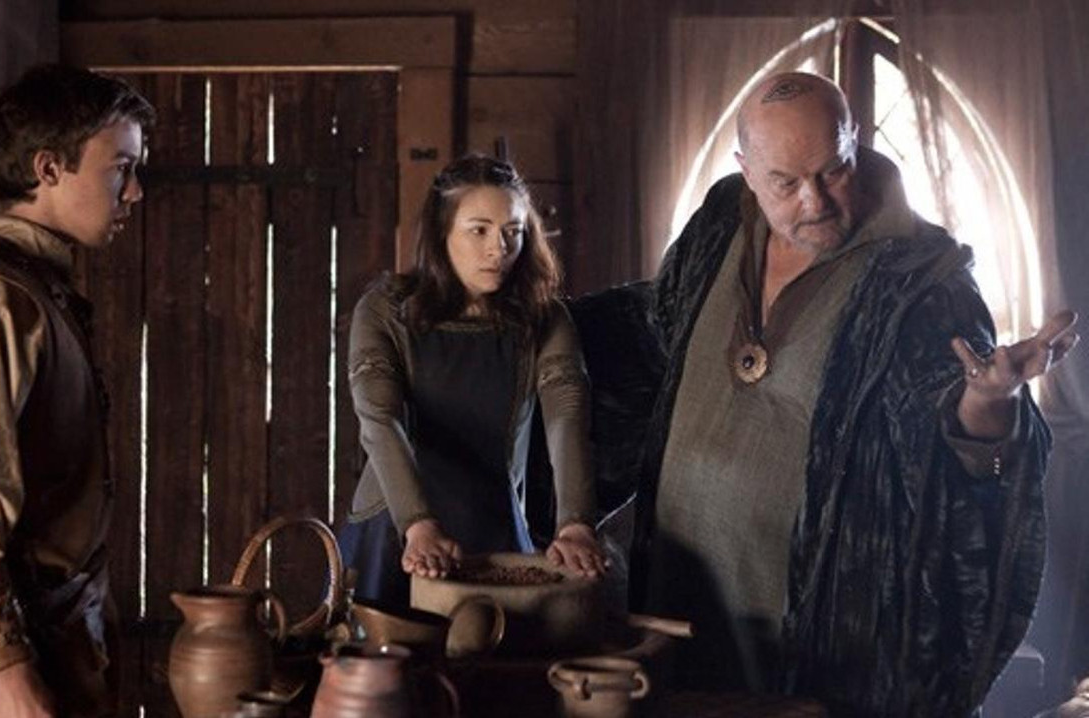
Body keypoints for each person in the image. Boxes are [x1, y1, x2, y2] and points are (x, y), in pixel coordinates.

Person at [574, 72, 1078, 716]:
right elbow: (656, 329)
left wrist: (989, 402)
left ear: (854, 141)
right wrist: (530, 327)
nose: (813, 201)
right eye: (785, 183)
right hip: (677, 591)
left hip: (819, 633)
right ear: (746, 172)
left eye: (832, 171)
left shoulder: (922, 282)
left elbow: (949, 449)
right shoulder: (721, 223)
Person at [0, 64, 153, 717]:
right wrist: (7, 665)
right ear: (47, 168)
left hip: (59, 638)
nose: (134, 192)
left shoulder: (40, 289)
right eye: (120, 168)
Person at [339, 154, 606, 607]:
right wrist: (417, 525)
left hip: (494, 522)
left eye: (512, 232)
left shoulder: (545, 319)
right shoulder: (385, 310)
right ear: (442, 231)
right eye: (479, 230)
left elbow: (567, 417)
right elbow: (380, 418)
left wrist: (576, 524)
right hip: (394, 527)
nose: (498, 249)